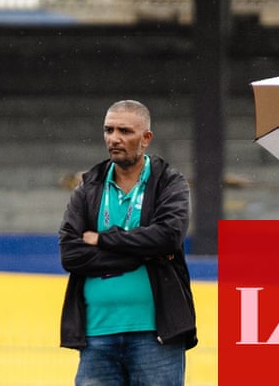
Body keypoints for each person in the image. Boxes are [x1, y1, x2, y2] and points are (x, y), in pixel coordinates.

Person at [59, 99, 197, 386]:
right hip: (96, 335)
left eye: (125, 131)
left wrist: (104, 240)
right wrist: (140, 254)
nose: (114, 139)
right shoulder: (88, 186)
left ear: (146, 138)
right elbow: (71, 254)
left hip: (156, 335)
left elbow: (168, 237)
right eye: (108, 130)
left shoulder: (169, 183)